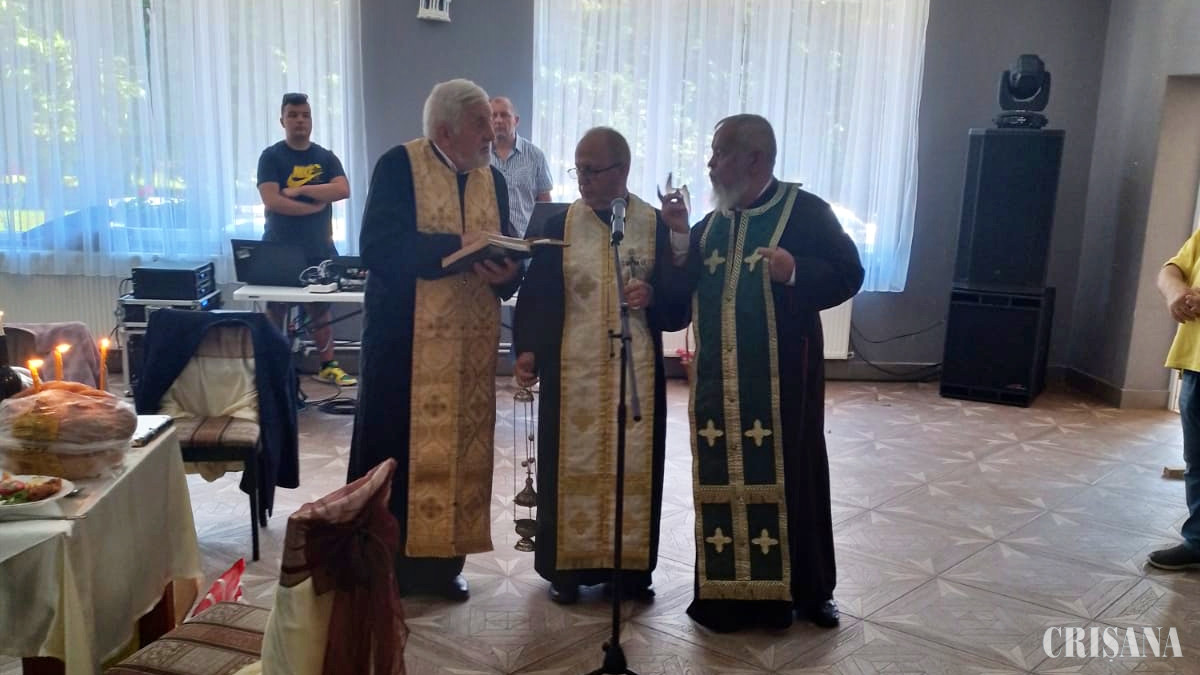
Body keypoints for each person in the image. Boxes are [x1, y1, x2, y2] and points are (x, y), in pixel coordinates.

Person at [665, 114, 864, 632]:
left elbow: (849, 273)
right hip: (719, 388)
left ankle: (811, 591)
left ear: (754, 159)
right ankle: (726, 596)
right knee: (722, 478)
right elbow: (679, 300)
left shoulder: (807, 212)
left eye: (719, 153)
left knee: (798, 476)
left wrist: (794, 271)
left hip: (785, 382)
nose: (710, 164)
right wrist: (679, 237)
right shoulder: (711, 226)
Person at [347, 79, 523, 601]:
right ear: (445, 131)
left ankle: (442, 566)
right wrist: (457, 246)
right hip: (405, 349)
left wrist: (507, 275)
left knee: (459, 458)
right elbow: (378, 247)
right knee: (396, 455)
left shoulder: (491, 179)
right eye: (480, 124)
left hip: (468, 352)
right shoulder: (399, 166)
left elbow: (507, 248)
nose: (492, 133)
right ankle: (382, 565)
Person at [512, 127, 691, 603]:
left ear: (622, 170)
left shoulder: (653, 224)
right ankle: (567, 572)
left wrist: (653, 293)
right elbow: (538, 296)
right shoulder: (560, 225)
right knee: (567, 467)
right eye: (579, 169)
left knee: (632, 469)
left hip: (636, 377)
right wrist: (527, 350)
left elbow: (678, 305)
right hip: (571, 374)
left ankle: (629, 571)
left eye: (592, 170)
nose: (583, 179)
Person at [256, 92, 355, 386]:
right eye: (293, 115)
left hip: (319, 248)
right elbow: (272, 200)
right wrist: (313, 206)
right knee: (277, 309)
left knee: (320, 310)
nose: (300, 120)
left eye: (305, 115)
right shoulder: (271, 157)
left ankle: (328, 366)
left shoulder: (326, 157)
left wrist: (300, 191)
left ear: (311, 120)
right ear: (282, 120)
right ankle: (274, 368)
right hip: (279, 249)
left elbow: (342, 190)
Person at [1150, 237, 1200, 571]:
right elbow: (1171, 269)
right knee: (1197, 461)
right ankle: (1198, 542)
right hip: (1196, 364)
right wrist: (1176, 293)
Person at [489, 96, 553, 237]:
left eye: (504, 115)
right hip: (490, 240)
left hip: (524, 241)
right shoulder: (479, 157)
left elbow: (545, 204)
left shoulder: (535, 156)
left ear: (516, 120)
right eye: (494, 115)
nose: (498, 120)